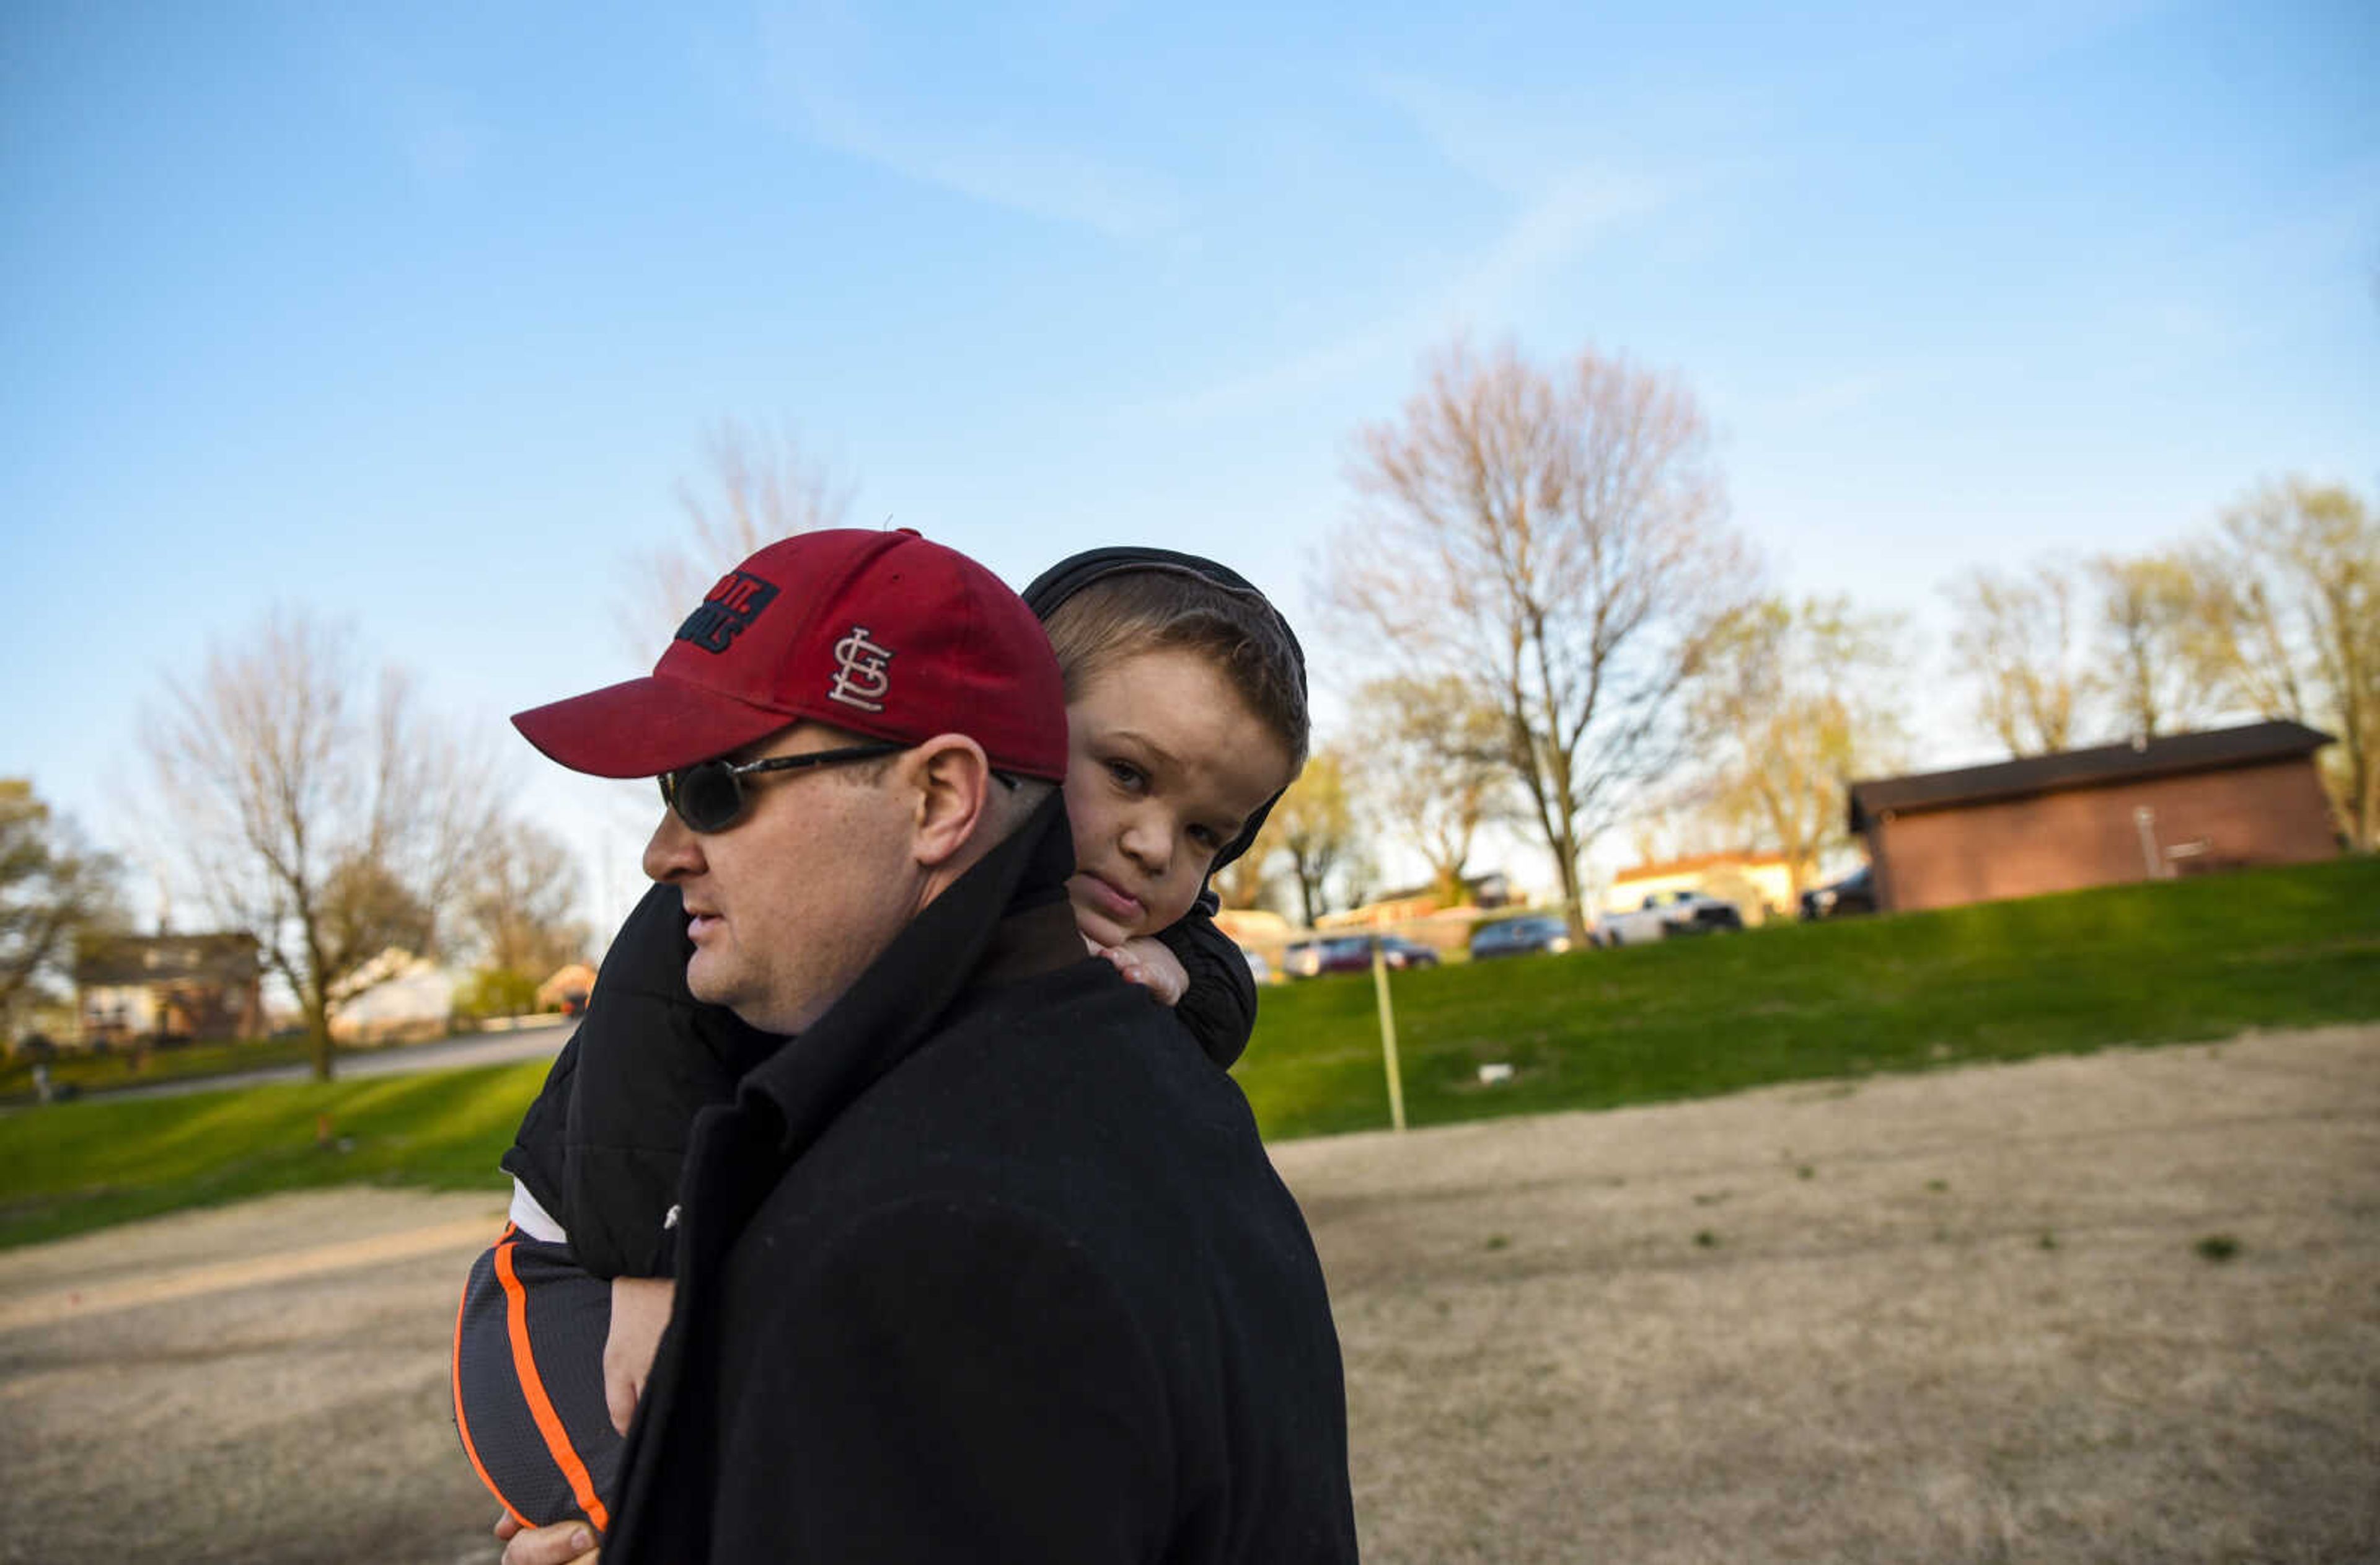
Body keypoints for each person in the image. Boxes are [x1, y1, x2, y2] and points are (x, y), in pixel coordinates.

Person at [479, 527, 1357, 1563]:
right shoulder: (1153, 1127)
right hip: (590, 1253)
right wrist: (649, 1266)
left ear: (947, 791)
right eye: (1123, 772)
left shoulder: (931, 1219)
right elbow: (638, 1054)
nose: (664, 855)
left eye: (722, 788)